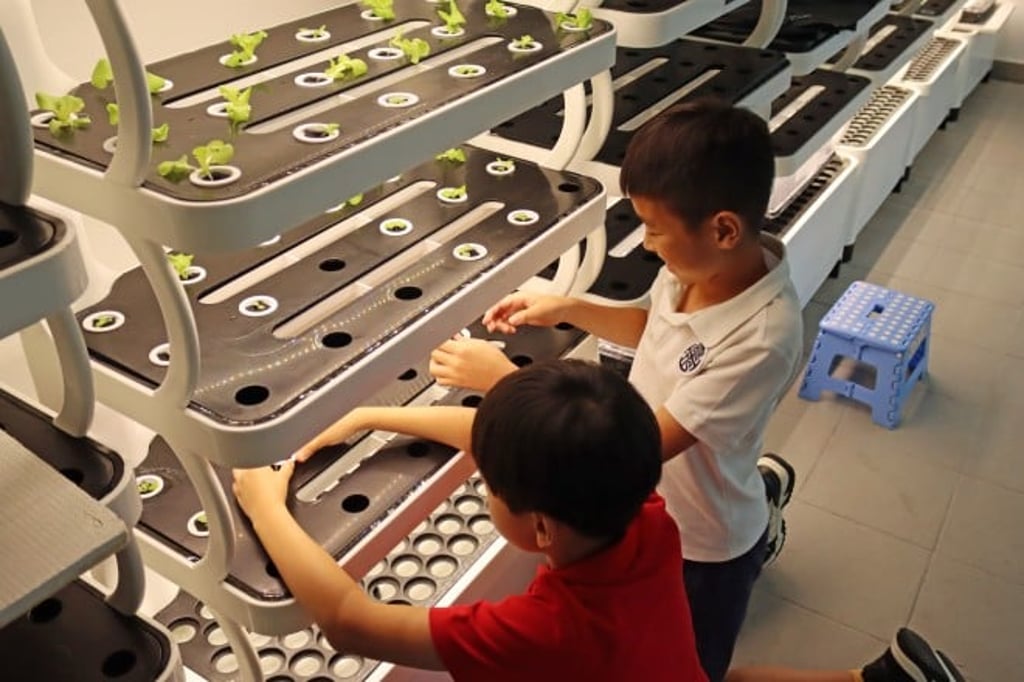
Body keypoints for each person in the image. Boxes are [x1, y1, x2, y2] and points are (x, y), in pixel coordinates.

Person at [428, 98, 803, 681]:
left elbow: (631, 452)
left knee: (693, 668)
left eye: (654, 229)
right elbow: (654, 328)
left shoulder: (763, 336)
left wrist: (506, 384)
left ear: (723, 228)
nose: (647, 245)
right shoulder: (691, 269)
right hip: (659, 512)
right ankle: (764, 487)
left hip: (703, 545)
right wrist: (570, 309)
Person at [233, 359, 708, 681]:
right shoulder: (645, 513)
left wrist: (265, 507)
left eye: (489, 483)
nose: (484, 479)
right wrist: (367, 417)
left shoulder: (547, 630)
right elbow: (505, 442)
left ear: (541, 527)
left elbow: (348, 622)